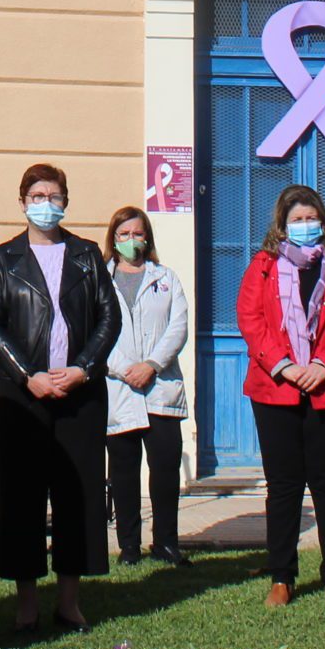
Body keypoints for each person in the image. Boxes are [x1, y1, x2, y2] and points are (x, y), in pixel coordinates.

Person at [0, 162, 119, 633]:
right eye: (36, 195)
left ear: (65, 201)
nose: (45, 203)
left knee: (76, 494)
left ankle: (69, 600)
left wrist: (82, 368)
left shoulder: (85, 256)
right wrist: (27, 375)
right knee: (23, 496)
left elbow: (108, 318)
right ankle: (26, 604)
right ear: (22, 202)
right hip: (24, 399)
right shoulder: (5, 258)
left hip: (80, 395)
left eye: (53, 195)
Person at [236, 185, 325, 610]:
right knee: (283, 488)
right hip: (276, 391)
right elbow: (250, 319)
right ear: (282, 225)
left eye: (311, 218)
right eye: (297, 220)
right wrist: (286, 366)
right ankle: (282, 576)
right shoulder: (262, 267)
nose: (305, 226)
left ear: (324, 222)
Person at [101, 206, 188, 568]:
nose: (131, 241)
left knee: (165, 471)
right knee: (123, 474)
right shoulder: (99, 281)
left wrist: (151, 365)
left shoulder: (166, 278)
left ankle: (166, 543)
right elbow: (94, 333)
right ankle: (130, 546)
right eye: (123, 234)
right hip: (119, 390)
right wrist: (125, 369)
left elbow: (178, 327)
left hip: (160, 389)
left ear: (148, 238)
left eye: (137, 234)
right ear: (113, 239)